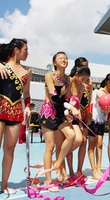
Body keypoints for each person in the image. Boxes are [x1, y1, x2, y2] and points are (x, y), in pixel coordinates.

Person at [38, 52, 80, 191]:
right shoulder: (49, 76)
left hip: (60, 114)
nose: (64, 59)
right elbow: (55, 97)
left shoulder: (68, 79)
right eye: (60, 58)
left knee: (71, 135)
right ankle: (48, 181)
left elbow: (67, 99)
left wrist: (67, 112)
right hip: (48, 112)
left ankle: (59, 162)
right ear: (54, 62)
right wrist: (71, 108)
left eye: (65, 58)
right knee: (50, 147)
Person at [0, 38, 31, 194]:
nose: (27, 52)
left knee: (10, 149)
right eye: (25, 49)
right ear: (16, 50)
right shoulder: (2, 65)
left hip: (16, 111)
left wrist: (27, 107)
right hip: (0, 107)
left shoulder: (27, 71)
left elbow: (26, 93)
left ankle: (4, 184)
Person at [88, 72, 110, 179]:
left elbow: (108, 109)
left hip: (101, 121)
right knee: (92, 144)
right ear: (108, 82)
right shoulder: (100, 92)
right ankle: (94, 169)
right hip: (93, 119)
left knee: (100, 144)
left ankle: (98, 168)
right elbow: (104, 101)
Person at [66, 57, 93, 179]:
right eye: (84, 66)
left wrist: (89, 114)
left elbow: (89, 100)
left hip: (83, 113)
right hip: (71, 112)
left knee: (83, 142)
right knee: (74, 140)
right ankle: (70, 170)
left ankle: (79, 170)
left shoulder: (89, 83)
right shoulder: (71, 81)